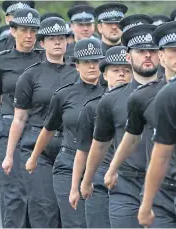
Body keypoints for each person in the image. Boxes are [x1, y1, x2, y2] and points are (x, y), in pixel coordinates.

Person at [2, 15, 78, 228]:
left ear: (67, 42)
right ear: (42, 43)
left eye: (61, 38)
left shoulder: (77, 74)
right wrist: (9, 155)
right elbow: (19, 118)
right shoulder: (30, 75)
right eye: (52, 38)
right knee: (44, 206)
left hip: (70, 146)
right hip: (36, 146)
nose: (57, 42)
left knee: (69, 208)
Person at [81, 24, 160, 228]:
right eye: (141, 51)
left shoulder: (170, 95)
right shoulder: (112, 100)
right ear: (128, 57)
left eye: (152, 51)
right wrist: (87, 179)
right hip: (126, 184)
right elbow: (100, 144)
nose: (148, 56)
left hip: (165, 184)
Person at [25, 38, 105, 227]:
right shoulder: (64, 95)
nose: (92, 66)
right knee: (74, 221)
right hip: (68, 163)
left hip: (101, 164)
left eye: (95, 62)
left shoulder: (110, 94)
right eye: (86, 62)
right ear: (76, 66)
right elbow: (48, 130)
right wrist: (33, 158)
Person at [0, 8, 45, 228]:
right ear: (13, 31)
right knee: (14, 190)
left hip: (40, 127)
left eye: (33, 31)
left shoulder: (45, 60)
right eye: (23, 30)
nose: (28, 36)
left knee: (38, 191)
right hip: (9, 127)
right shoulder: (1, 60)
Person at [70, 46, 132, 228]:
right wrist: (76, 186)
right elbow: (82, 151)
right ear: (104, 74)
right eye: (115, 70)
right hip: (98, 177)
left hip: (130, 177)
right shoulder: (92, 108)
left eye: (126, 70)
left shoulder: (141, 103)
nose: (121, 75)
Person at [137, 21, 176, 227]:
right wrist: (147, 203)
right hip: (167, 190)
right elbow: (161, 154)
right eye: (173, 50)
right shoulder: (168, 95)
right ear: (161, 56)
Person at [0, 1, 35, 82]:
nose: (20, 20)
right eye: (16, 16)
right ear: (7, 19)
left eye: (24, 16)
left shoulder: (42, 47)